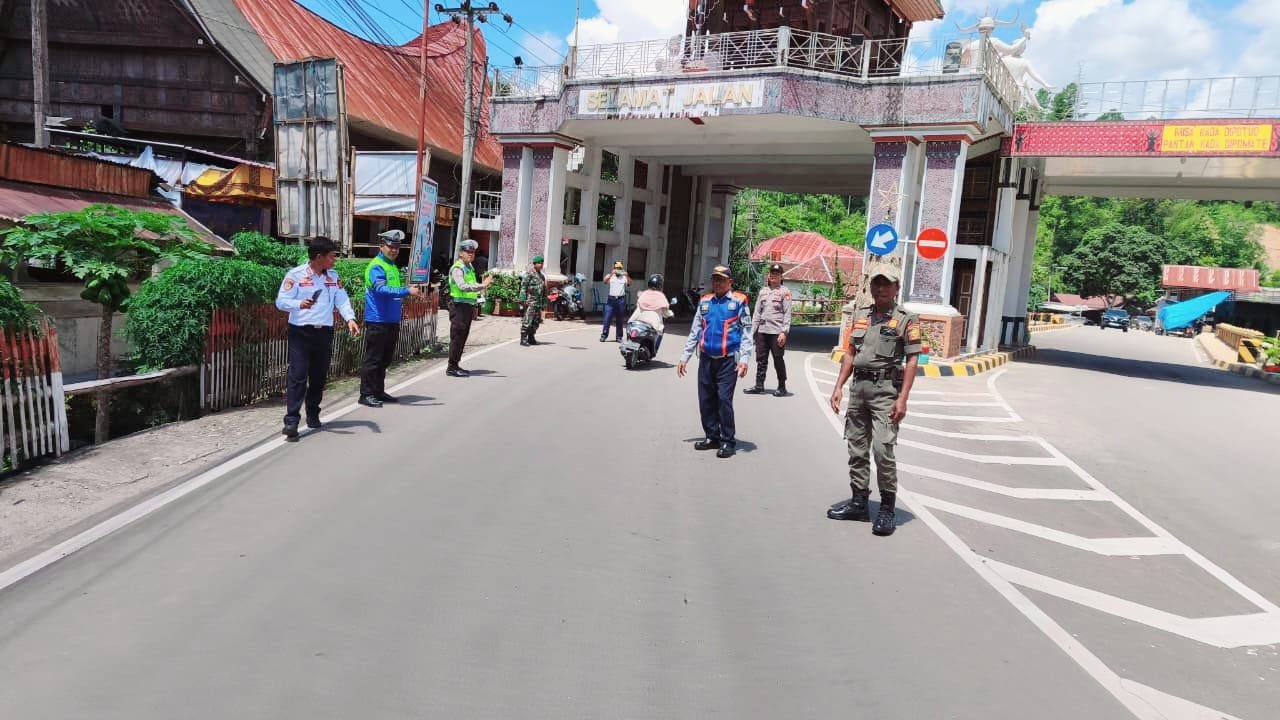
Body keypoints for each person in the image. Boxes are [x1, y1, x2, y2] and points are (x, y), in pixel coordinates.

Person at [826, 265, 921, 536]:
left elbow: (912, 358)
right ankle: (859, 503)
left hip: (886, 391)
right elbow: (850, 353)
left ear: (896, 289)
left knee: (882, 451)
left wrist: (903, 399)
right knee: (856, 449)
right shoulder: (861, 316)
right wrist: (838, 387)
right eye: (876, 284)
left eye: (886, 284)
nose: (880, 288)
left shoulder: (906, 319)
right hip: (859, 389)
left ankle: (887, 509)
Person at [275, 236, 361, 441]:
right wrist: (298, 304)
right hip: (301, 332)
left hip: (324, 332)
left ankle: (313, 413)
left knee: (319, 376)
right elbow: (281, 301)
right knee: (297, 376)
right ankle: (291, 421)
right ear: (319, 256)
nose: (335, 260)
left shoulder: (332, 276)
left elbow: (342, 299)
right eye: (332, 256)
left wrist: (350, 318)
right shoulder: (295, 275)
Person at [677, 265, 754, 459]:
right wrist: (684, 357)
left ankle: (728, 440)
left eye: (721, 280)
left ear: (730, 282)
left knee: (724, 399)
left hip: (728, 360)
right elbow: (695, 331)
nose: (717, 283)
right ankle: (712, 436)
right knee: (706, 399)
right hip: (706, 359)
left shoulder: (739, 302)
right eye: (715, 279)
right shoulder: (705, 302)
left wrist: (744, 359)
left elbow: (746, 332)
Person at [359, 229, 424, 407]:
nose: (394, 250)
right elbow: (381, 290)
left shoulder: (392, 266)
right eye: (391, 247)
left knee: (385, 359)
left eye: (397, 247)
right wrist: (406, 291)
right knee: (373, 359)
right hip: (378, 319)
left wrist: (407, 290)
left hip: (391, 320)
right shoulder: (376, 266)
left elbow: (394, 292)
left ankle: (378, 391)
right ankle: (366, 394)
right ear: (381, 246)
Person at [744, 262, 794, 397]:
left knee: (778, 358)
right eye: (772, 273)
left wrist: (784, 332)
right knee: (761, 359)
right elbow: (757, 313)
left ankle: (782, 386)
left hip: (776, 332)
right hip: (762, 330)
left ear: (781, 277)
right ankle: (759, 385)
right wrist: (751, 331)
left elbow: (787, 313)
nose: (773, 276)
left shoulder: (785, 292)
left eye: (776, 274)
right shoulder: (763, 291)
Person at [447, 238, 493, 377]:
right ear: (461, 253)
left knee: (462, 336)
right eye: (468, 252)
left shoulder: (469, 267)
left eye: (472, 252)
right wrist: (482, 285)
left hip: (467, 306)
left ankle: (455, 364)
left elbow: (471, 285)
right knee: (457, 336)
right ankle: (452, 367)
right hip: (459, 305)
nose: (471, 255)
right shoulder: (458, 268)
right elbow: (462, 286)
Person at [629, 274, 673, 353]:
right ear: (660, 285)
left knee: (630, 329)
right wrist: (670, 314)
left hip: (637, 319)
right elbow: (665, 311)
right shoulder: (661, 296)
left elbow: (638, 304)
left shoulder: (643, 293)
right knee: (661, 330)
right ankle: (654, 349)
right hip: (652, 322)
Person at [519, 254, 548, 346]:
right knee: (528, 320)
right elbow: (523, 286)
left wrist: (544, 302)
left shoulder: (542, 276)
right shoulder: (529, 274)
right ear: (534, 264)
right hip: (530, 302)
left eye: (542, 263)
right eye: (539, 263)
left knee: (536, 321)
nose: (541, 265)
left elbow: (544, 290)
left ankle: (531, 337)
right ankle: (523, 338)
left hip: (538, 303)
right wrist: (522, 299)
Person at [600, 260, 630, 342]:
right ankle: (604, 335)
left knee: (620, 319)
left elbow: (629, 283)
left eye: (619, 268)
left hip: (621, 300)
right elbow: (605, 281)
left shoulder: (624, 277)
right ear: (614, 268)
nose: (618, 270)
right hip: (611, 300)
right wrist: (611, 274)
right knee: (607, 318)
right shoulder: (611, 276)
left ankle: (619, 337)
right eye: (617, 268)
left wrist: (627, 275)